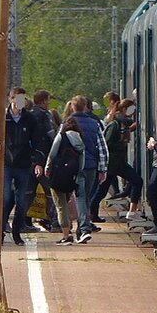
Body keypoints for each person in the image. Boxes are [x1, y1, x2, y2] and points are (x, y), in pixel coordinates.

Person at [0, 87, 46, 245]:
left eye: (23, 99)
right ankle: (1, 230)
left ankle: (17, 232)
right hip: (5, 164)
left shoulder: (30, 119)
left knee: (22, 200)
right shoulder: (2, 117)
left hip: (23, 164)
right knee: (6, 197)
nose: (20, 102)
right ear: (11, 100)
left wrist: (38, 162)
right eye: (18, 99)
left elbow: (38, 142)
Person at [69, 94, 108, 237]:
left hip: (74, 166)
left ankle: (84, 227)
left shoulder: (68, 123)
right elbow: (102, 148)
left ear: (73, 106)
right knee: (85, 196)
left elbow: (59, 144)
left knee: (80, 196)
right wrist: (103, 169)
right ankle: (84, 226)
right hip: (91, 166)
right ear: (86, 107)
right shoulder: (94, 123)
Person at [45, 116, 86, 245]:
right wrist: (78, 174)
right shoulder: (80, 140)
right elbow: (82, 161)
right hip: (71, 176)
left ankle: (66, 235)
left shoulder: (61, 136)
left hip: (58, 174)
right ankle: (70, 230)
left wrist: (47, 168)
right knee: (67, 202)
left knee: (60, 205)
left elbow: (52, 154)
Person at [101, 97, 143, 215]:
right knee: (137, 181)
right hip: (115, 162)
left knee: (102, 190)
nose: (133, 113)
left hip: (116, 162)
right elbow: (108, 143)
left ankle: (91, 213)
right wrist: (123, 140)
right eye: (131, 109)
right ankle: (132, 212)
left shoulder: (120, 122)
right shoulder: (117, 123)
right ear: (124, 109)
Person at [29, 90, 59, 232]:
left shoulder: (28, 114)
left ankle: (23, 222)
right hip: (44, 157)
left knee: (28, 192)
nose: (49, 103)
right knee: (51, 191)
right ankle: (54, 221)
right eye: (48, 100)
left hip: (29, 158)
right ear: (42, 101)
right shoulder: (45, 115)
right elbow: (51, 135)